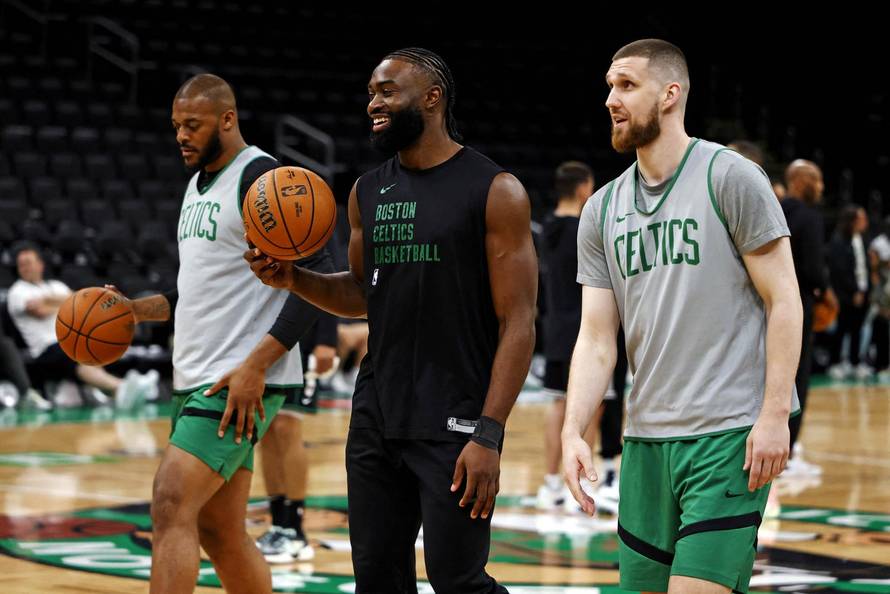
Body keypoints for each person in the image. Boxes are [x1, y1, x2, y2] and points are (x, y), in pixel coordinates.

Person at [247, 47, 537, 593]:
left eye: (386, 92)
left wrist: (489, 433)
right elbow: (361, 294)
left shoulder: (495, 191)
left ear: (432, 99)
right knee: (377, 579)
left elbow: (518, 321)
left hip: (456, 417)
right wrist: (292, 279)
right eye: (371, 93)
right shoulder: (366, 192)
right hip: (377, 414)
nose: (372, 104)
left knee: (459, 581)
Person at [562, 39, 801, 594]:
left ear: (670, 95)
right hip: (644, 442)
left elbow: (784, 300)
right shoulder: (601, 210)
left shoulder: (731, 177)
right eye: (608, 87)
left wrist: (772, 417)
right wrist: (575, 430)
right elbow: (598, 338)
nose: (610, 100)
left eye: (625, 85)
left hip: (727, 436)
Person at [115, 73, 333, 594]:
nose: (181, 136)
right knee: (219, 529)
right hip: (194, 375)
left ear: (227, 119)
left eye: (193, 124)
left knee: (170, 505)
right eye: (176, 126)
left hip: (236, 379)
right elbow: (195, 291)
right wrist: (131, 310)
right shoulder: (194, 186)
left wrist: (258, 365)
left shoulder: (260, 175)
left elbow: (317, 275)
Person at [535, 161, 625, 515]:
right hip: (587, 330)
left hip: (555, 326)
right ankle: (585, 484)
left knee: (558, 406)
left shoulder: (546, 229)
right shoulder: (583, 229)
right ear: (584, 189)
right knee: (591, 406)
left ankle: (551, 483)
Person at [6, 244, 155, 407]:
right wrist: (62, 303)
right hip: (44, 349)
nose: (25, 268)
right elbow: (39, 311)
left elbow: (77, 300)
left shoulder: (55, 285)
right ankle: (121, 388)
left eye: (28, 263)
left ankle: (120, 389)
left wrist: (47, 300)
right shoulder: (17, 291)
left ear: (40, 265)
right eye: (21, 265)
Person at [256, 318, 337, 563]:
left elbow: (324, 278)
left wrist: (326, 340)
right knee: (267, 429)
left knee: (286, 427)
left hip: (299, 343)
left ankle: (295, 529)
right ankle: (278, 524)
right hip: (265, 339)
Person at [780, 160, 829, 477]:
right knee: (797, 376)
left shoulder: (775, 207)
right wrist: (824, 290)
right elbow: (812, 270)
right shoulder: (810, 218)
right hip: (798, 305)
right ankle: (788, 452)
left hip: (764, 303)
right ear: (799, 181)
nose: (820, 186)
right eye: (816, 179)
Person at [827, 206, 871, 380]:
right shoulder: (838, 240)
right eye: (861, 219)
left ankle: (854, 363)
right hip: (845, 294)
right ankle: (835, 363)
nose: (865, 222)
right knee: (842, 327)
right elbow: (839, 270)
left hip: (863, 291)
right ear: (852, 220)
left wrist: (864, 290)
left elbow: (863, 266)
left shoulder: (862, 238)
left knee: (857, 328)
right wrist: (854, 290)